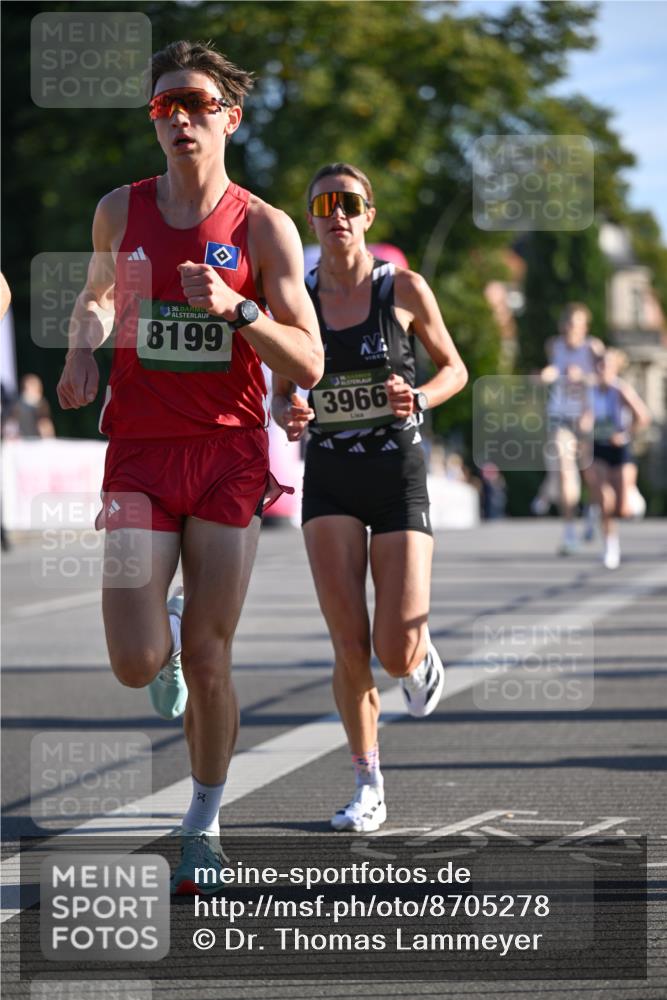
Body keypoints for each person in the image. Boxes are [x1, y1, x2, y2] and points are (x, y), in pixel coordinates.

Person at [56, 40, 322, 892]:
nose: (180, 118)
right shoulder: (118, 209)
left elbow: (309, 358)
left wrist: (241, 310)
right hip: (139, 451)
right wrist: (82, 348)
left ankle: (203, 823)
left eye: (197, 104)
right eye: (164, 105)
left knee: (210, 657)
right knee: (136, 661)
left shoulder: (263, 226)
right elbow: (97, 295)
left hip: (226, 455)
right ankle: (161, 638)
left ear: (229, 119)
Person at [272, 164, 467, 833]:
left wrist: (421, 398)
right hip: (329, 474)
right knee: (348, 644)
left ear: (368, 215)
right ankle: (367, 783)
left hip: (395, 475)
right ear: (310, 218)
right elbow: (280, 394)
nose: (337, 214)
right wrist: (290, 413)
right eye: (324, 204)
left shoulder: (402, 288)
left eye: (349, 203)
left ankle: (417, 657)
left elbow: (455, 369)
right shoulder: (294, 300)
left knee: (393, 650)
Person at [539, 302, 604, 554]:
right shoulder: (554, 345)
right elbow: (554, 369)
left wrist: (583, 378)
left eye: (575, 325)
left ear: (584, 327)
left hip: (587, 417)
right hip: (561, 416)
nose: (570, 330)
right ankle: (569, 532)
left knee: (591, 475)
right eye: (567, 324)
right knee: (566, 470)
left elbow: (605, 378)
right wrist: (547, 375)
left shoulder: (593, 348)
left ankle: (592, 514)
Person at [588, 349, 650, 569]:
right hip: (598, 447)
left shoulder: (621, 390)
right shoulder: (590, 391)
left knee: (622, 509)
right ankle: (610, 547)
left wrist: (624, 435)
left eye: (605, 366)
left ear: (614, 369)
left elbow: (643, 417)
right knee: (605, 501)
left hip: (620, 449)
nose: (601, 370)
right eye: (598, 366)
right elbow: (583, 418)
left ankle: (632, 496)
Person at [9, 374, 55, 438]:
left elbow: (45, 423)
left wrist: (47, 439)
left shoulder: (41, 403)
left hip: (37, 439)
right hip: (23, 439)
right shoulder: (18, 403)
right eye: (26, 389)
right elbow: (12, 422)